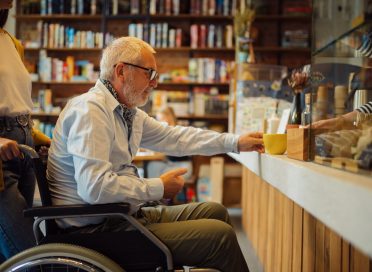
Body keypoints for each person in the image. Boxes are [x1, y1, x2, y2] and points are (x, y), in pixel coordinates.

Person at [47, 36, 264, 272]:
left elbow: (176, 137)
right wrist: (158, 187)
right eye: (149, 73)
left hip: (121, 216)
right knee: (219, 237)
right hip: (96, 230)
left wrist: (235, 142)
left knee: (216, 211)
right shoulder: (91, 111)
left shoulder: (128, 112)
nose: (154, 82)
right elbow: (94, 187)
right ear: (121, 71)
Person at [0, 0, 50, 262]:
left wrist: (43, 139)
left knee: (8, 256)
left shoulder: (11, 41)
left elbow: (17, 104)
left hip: (24, 152)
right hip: (2, 156)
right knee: (29, 256)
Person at [147, 106, 193, 181]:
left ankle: (158, 191)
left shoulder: (178, 131)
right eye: (158, 120)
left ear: (169, 117)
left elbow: (166, 151)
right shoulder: (165, 131)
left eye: (161, 119)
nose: (158, 123)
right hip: (170, 164)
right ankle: (156, 190)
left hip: (183, 166)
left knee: (154, 169)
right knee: (152, 166)